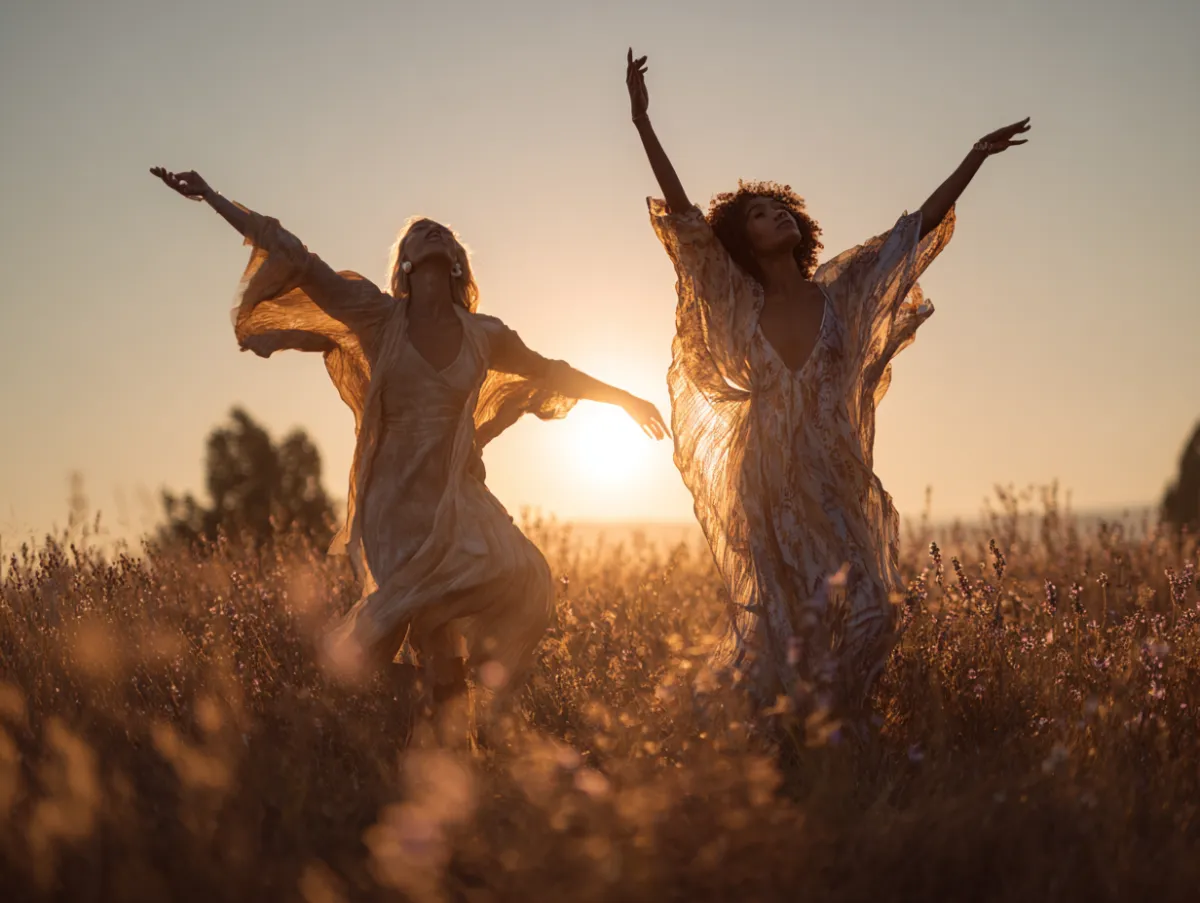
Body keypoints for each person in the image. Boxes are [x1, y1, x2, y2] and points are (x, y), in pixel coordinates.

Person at [150, 167, 669, 737]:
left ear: (455, 263)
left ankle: (430, 711)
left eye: (441, 232)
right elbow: (291, 250)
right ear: (403, 262)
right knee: (425, 623)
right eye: (419, 232)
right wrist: (214, 198)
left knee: (525, 574)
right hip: (393, 496)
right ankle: (442, 747)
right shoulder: (377, 317)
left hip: (455, 491)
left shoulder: (485, 334)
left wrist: (622, 398)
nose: (431, 232)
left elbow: (551, 371)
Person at [624, 49, 1030, 720]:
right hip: (767, 480)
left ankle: (830, 720)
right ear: (743, 238)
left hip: (833, 474)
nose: (775, 215)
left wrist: (973, 159)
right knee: (785, 624)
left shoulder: (841, 293)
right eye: (758, 213)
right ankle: (807, 743)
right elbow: (687, 222)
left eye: (781, 207)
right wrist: (643, 124)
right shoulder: (736, 302)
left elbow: (911, 234)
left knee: (872, 606)